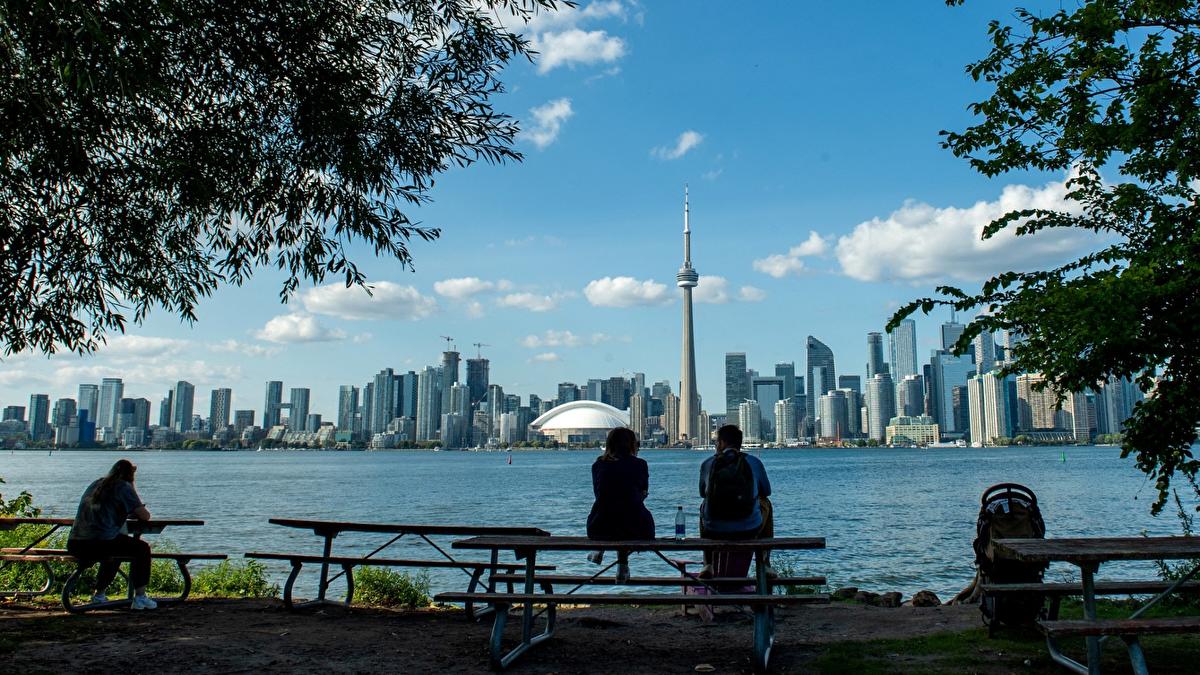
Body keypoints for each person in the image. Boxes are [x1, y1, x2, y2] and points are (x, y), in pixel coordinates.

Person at [67, 459, 157, 609]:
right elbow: (145, 516)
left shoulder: (96, 484)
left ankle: (99, 594)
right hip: (99, 543)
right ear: (130, 475)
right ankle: (140, 597)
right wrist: (132, 489)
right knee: (142, 549)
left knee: (116, 551)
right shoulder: (123, 487)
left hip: (75, 543)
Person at [698, 424, 774, 578]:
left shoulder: (708, 464)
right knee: (766, 503)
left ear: (722, 443)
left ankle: (708, 564)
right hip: (748, 529)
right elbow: (766, 491)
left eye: (716, 442)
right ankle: (765, 563)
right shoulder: (754, 462)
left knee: (703, 505)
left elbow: (702, 492)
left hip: (714, 530)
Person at [586, 427, 655, 577]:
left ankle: (600, 548)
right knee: (629, 512)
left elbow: (600, 495)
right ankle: (622, 565)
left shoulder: (598, 465)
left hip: (599, 526)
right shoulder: (640, 464)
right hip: (636, 528)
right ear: (631, 445)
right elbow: (642, 492)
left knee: (614, 510)